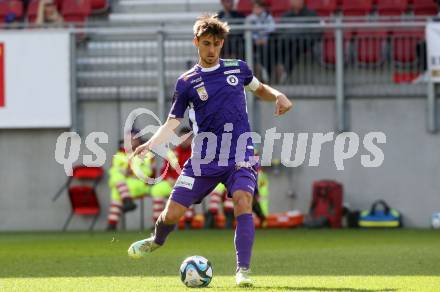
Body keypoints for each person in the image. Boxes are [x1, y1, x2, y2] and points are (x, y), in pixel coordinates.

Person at [127, 14, 292, 287]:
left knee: (242, 200)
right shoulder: (187, 82)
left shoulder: (237, 69)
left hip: (240, 152)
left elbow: (259, 88)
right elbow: (173, 122)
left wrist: (278, 95)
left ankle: (243, 271)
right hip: (204, 158)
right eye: (206, 43)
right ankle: (157, 240)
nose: (212, 49)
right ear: (196, 43)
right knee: (172, 214)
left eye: (216, 44)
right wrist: (150, 144)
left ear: (222, 43)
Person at [106, 129, 153, 231]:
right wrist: (123, 172)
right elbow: (114, 169)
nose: (130, 141)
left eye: (133, 138)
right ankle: (127, 200)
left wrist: (130, 172)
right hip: (124, 182)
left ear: (139, 140)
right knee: (115, 175)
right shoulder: (120, 154)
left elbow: (147, 172)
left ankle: (112, 224)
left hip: (138, 183)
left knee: (116, 191)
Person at [150, 127, 193, 225]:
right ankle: (158, 222)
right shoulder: (172, 152)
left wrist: (180, 180)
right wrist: (168, 178)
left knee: (189, 190)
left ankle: (187, 222)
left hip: (187, 183)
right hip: (172, 183)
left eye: (187, 138)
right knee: (156, 190)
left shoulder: (195, 153)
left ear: (191, 139)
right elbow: (164, 170)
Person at [274, 0, 319, 83]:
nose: (293, 1)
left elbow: (315, 32)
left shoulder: (311, 14)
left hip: (304, 41)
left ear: (302, 1)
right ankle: (277, 67)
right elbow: (279, 30)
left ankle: (285, 70)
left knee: (296, 46)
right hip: (288, 40)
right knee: (277, 43)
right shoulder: (286, 15)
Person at [245, 0, 275, 82]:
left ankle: (265, 70)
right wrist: (256, 39)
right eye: (255, 7)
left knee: (268, 50)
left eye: (259, 7)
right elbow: (248, 31)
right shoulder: (249, 18)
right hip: (253, 43)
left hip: (266, 42)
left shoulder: (268, 17)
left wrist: (264, 39)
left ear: (263, 8)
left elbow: (272, 28)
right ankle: (260, 70)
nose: (257, 9)